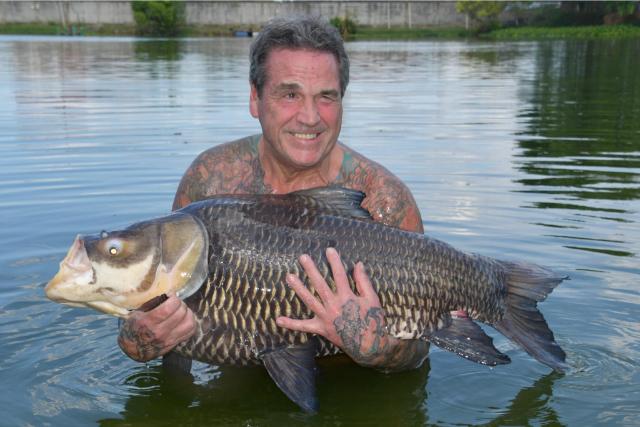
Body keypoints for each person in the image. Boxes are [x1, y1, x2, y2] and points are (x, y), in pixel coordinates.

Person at [118, 16, 431, 372]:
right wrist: (138, 339)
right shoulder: (210, 182)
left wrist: (381, 350)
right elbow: (164, 314)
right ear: (255, 98)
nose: (310, 117)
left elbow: (421, 350)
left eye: (326, 97)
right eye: (290, 95)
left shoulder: (383, 200)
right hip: (237, 379)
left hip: (350, 380)